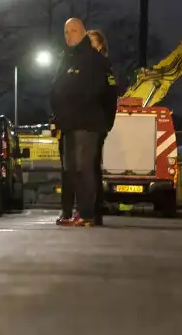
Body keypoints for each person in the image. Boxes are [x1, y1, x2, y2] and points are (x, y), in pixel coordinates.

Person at [50, 18, 116, 227]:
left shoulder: (93, 59)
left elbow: (97, 91)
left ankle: (87, 213)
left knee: (83, 167)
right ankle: (76, 211)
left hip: (87, 122)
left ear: (83, 33)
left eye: (73, 30)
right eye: (66, 31)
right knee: (71, 168)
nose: (69, 35)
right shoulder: (67, 58)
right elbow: (57, 87)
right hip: (69, 122)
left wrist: (105, 123)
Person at [86, 29, 118, 226]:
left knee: (91, 167)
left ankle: (94, 209)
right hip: (89, 122)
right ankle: (89, 208)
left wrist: (106, 124)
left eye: (90, 41)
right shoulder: (87, 64)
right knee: (88, 166)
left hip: (96, 123)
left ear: (100, 45)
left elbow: (110, 98)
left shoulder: (103, 67)